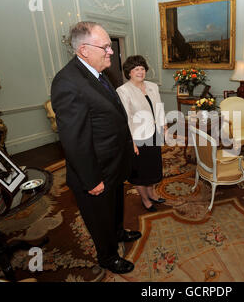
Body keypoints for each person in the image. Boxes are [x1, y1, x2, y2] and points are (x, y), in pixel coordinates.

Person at [51, 21, 141, 274]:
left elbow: (112, 114)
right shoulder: (67, 83)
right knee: (98, 216)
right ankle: (107, 256)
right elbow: (74, 140)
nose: (110, 51)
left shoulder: (98, 73)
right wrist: (91, 180)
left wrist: (129, 141)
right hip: (95, 170)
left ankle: (118, 232)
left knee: (115, 205)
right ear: (83, 50)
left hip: (114, 161)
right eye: (104, 47)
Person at [116, 55, 167, 212]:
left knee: (153, 168)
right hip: (138, 137)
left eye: (142, 68)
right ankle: (145, 200)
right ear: (129, 72)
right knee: (140, 172)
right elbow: (127, 119)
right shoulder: (123, 91)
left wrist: (164, 126)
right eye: (136, 69)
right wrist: (131, 142)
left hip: (154, 133)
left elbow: (159, 108)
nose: (140, 72)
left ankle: (151, 193)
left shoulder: (153, 86)